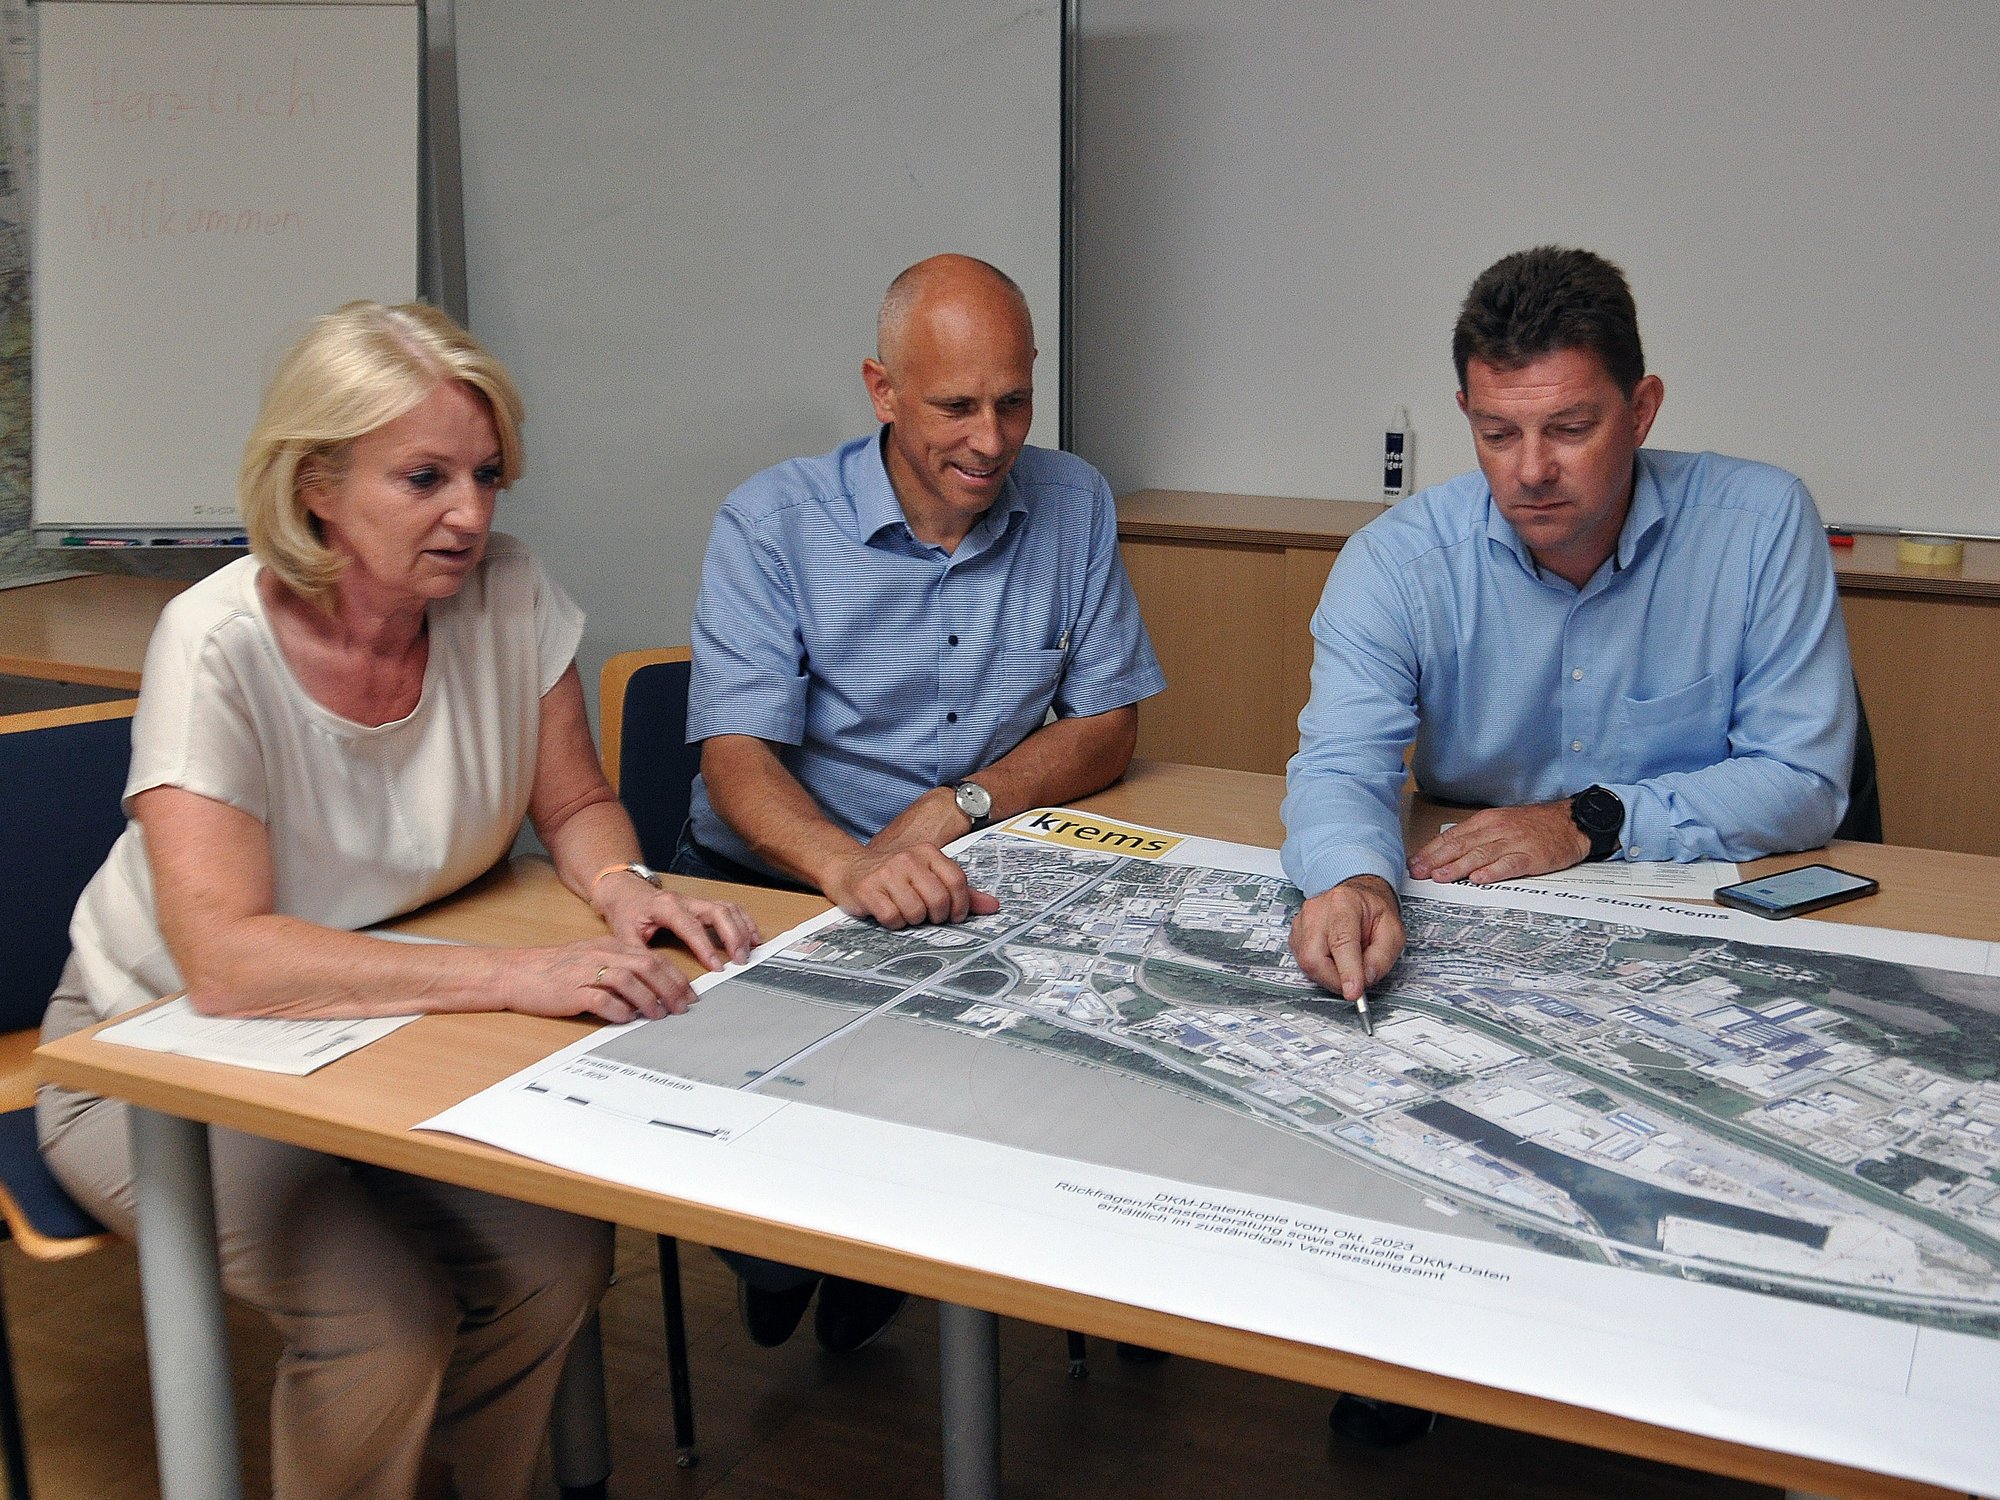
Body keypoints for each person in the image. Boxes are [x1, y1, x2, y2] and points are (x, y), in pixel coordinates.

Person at [37, 301, 759, 1500]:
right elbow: (227, 962)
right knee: (381, 1318)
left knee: (558, 1260)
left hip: (386, 1019)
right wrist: (515, 975)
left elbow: (575, 802)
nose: (470, 514)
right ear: (317, 485)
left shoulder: (509, 590)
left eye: (486, 476)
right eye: (424, 478)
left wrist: (620, 884)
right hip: (156, 1049)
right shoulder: (213, 643)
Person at [1281, 246, 1857, 1445]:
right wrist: (1347, 877)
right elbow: (1339, 765)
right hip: (1479, 914)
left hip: (1686, 911)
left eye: (1568, 428)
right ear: (1464, 413)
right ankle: (1417, 1348)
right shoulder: (1398, 561)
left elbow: (1804, 780)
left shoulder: (1758, 524)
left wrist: (1590, 821)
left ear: (1641, 410)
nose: (1529, 470)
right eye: (1496, 433)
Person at [678, 252, 1166, 1350]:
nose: (991, 441)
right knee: (770, 1166)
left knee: (1000, 1121)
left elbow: (1106, 723)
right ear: (882, 390)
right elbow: (735, 760)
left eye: (1013, 402)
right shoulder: (771, 520)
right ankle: (786, 1257)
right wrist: (848, 868)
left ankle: (877, 1256)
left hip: (963, 878)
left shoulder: (1073, 500)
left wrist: (961, 804)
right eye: (955, 407)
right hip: (776, 881)